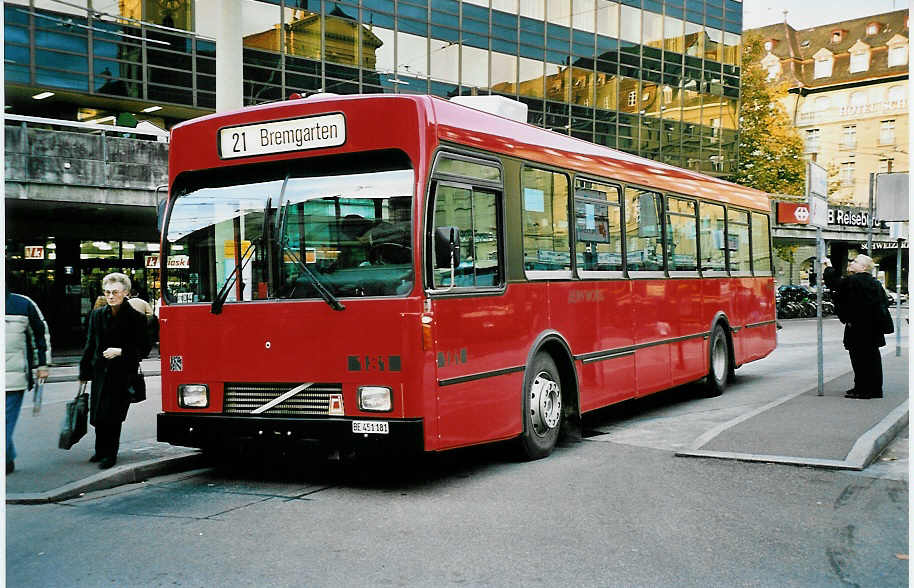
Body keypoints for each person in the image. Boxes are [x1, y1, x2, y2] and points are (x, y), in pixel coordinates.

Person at [79, 273, 150, 469]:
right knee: (98, 414)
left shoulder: (136, 318)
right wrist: (84, 372)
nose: (110, 296)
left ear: (125, 293)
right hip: (100, 372)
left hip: (122, 374)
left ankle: (110, 454)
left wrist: (121, 351)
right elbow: (90, 345)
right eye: (107, 292)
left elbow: (144, 348)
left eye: (115, 292)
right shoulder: (97, 315)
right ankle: (100, 450)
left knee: (113, 415)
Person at [823, 254, 889, 399]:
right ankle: (874, 389)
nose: (851, 263)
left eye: (855, 261)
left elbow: (835, 283)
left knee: (859, 358)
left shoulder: (855, 281)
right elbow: (884, 302)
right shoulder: (874, 282)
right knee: (872, 358)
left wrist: (828, 268)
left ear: (863, 267)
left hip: (858, 327)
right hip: (874, 328)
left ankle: (863, 390)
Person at [5, 291, 51, 474]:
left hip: (14, 378)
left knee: (5, 422)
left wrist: (42, 364)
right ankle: (7, 458)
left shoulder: (23, 304)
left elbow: (40, 335)